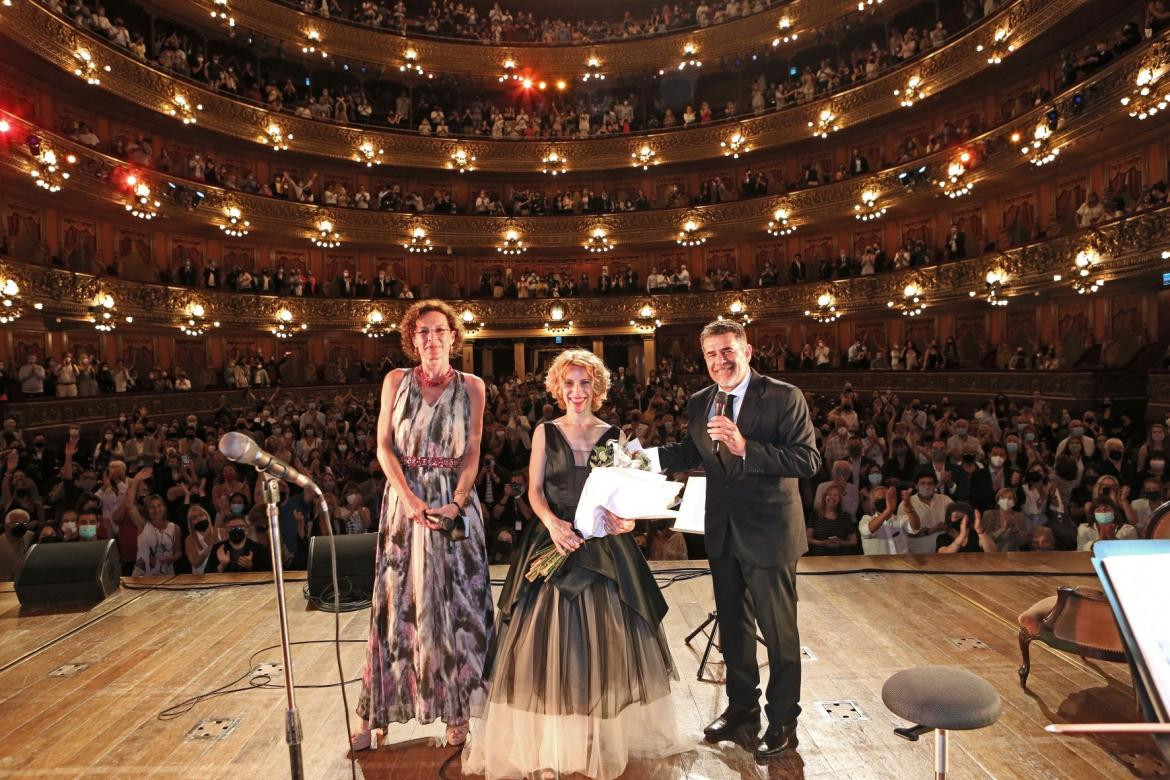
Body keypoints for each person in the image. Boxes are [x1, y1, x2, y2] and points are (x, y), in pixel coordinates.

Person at [464, 349, 685, 779]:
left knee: (605, 645)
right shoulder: (546, 431)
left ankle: (594, 739)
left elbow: (627, 491)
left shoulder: (615, 433)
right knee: (545, 647)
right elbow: (534, 492)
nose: (577, 392)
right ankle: (554, 741)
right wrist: (551, 525)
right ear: (557, 387)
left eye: (585, 383)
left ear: (596, 387)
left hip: (603, 546)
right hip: (554, 540)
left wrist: (629, 519)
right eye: (569, 384)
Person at [646, 320, 821, 760]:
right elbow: (691, 452)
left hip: (769, 533)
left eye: (728, 351)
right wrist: (641, 458)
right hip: (722, 532)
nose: (720, 361)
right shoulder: (701, 400)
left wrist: (747, 447)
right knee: (735, 630)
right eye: (711, 355)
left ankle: (783, 718)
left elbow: (807, 459)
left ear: (747, 351)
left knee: (779, 635)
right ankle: (742, 708)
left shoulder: (783, 396)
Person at [354, 301, 492, 751]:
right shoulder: (395, 381)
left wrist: (455, 502)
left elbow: (471, 452)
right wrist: (410, 499)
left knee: (458, 609)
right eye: (422, 332)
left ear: (454, 336)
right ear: (412, 339)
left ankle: (457, 713)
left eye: (439, 331)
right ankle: (380, 714)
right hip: (403, 504)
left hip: (454, 507)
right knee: (399, 608)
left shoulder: (473, 387)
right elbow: (383, 447)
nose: (431, 338)